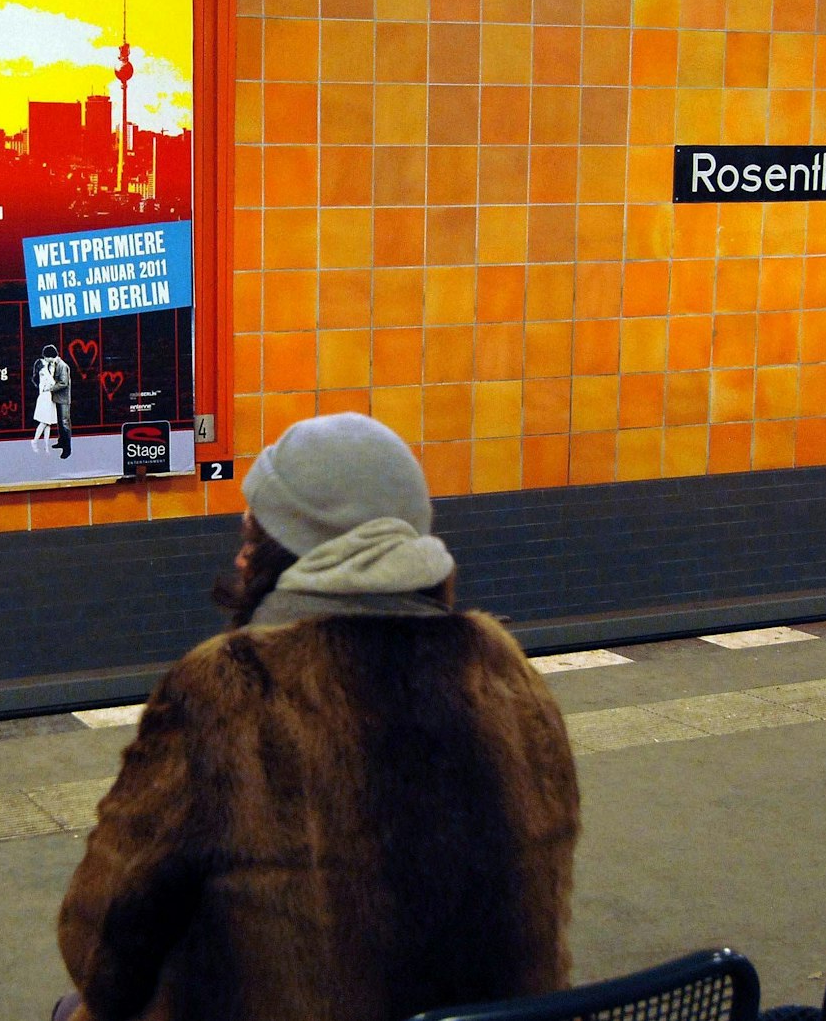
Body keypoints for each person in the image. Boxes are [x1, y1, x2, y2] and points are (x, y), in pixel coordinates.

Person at [56, 412, 580, 1021]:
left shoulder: (231, 689)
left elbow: (96, 942)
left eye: (252, 539)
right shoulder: (505, 674)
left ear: (282, 555)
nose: (242, 560)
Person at [33, 344, 74, 458]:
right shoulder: (53, 364)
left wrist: (50, 388)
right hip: (56, 398)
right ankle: (62, 441)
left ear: (51, 356)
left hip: (63, 399)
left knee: (65, 423)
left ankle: (67, 448)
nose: (45, 359)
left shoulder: (62, 366)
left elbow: (64, 383)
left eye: (46, 357)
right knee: (60, 423)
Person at [33, 345, 64, 449]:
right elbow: (52, 381)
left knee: (48, 423)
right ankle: (35, 441)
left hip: (49, 397)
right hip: (45, 398)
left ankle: (46, 444)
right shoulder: (43, 369)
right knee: (44, 422)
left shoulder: (47, 367)